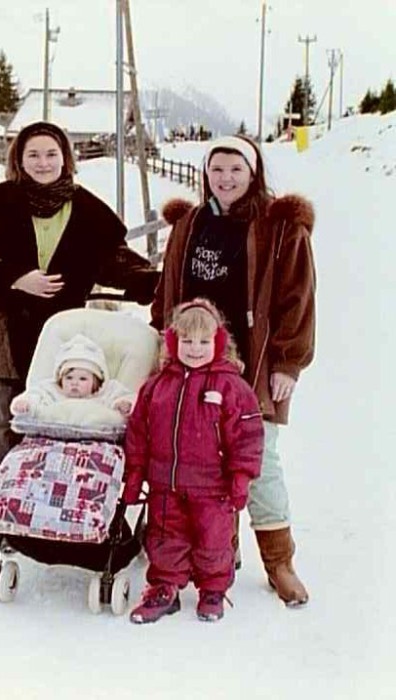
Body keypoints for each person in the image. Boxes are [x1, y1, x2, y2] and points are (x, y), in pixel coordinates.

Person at [151, 135, 316, 606]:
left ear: (253, 174)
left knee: (259, 461)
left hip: (256, 362)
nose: (225, 179)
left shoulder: (280, 227)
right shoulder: (189, 223)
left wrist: (288, 362)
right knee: (203, 458)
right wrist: (162, 340)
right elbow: (167, 290)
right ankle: (223, 547)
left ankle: (279, 561)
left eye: (236, 170)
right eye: (217, 169)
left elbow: (298, 298)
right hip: (195, 357)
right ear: (206, 174)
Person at [0, 121, 158, 478]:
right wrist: (16, 278)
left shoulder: (87, 210)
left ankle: (53, 496)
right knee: (9, 418)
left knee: (62, 418)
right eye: (33, 155)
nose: (43, 163)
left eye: (51, 154)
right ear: (19, 160)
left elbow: (113, 259)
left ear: (65, 158)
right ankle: (4, 499)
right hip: (6, 333)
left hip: (65, 339)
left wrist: (154, 282)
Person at [122, 299, 264, 624]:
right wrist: (135, 474)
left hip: (212, 488)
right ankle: (164, 588)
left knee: (213, 540)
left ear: (218, 342)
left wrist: (240, 477)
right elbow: (138, 432)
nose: (194, 349)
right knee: (164, 537)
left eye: (203, 341)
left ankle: (213, 589)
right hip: (164, 484)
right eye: (186, 341)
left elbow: (247, 436)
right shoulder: (157, 386)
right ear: (174, 342)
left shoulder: (231, 387)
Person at [10, 333, 135, 418]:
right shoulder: (52, 391)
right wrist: (25, 404)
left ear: (95, 381)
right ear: (60, 379)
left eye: (83, 379)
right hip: (51, 437)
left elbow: (128, 397)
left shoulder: (106, 393)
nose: (74, 383)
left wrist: (124, 405)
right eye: (69, 378)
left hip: (96, 441)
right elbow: (34, 395)